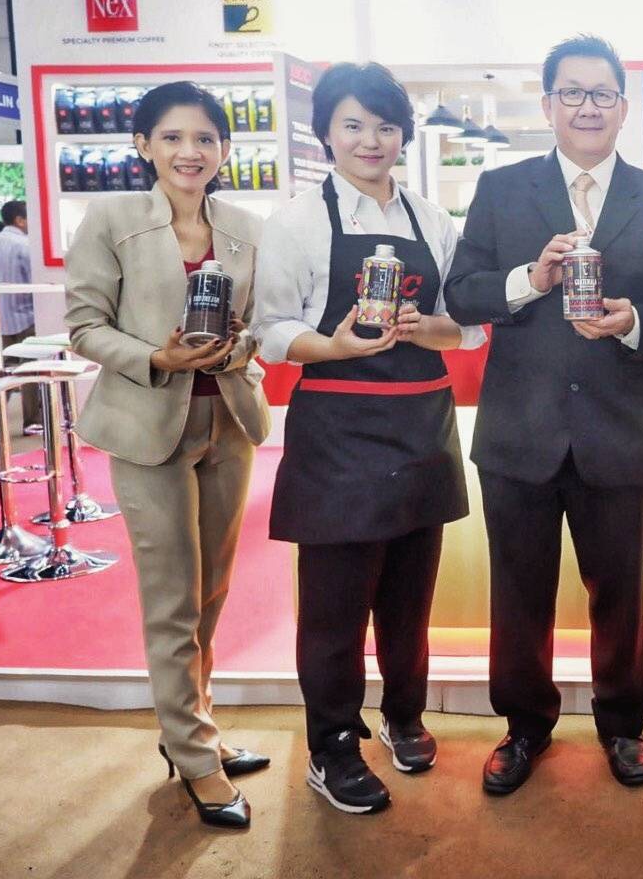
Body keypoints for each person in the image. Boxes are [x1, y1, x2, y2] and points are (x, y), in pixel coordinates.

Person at [443, 35, 643, 795]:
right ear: (548, 103)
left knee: (619, 592)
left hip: (619, 429)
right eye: (573, 93)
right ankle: (524, 726)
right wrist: (531, 278)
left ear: (624, 107)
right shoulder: (501, 188)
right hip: (520, 430)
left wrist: (633, 322)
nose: (589, 107)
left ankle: (623, 724)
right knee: (518, 592)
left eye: (603, 94)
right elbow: (464, 294)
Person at [255, 62, 484, 814]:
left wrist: (427, 328)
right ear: (325, 132)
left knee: (409, 599)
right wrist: (335, 345)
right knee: (334, 609)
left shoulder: (432, 219)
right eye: (352, 125)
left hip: (421, 428)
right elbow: (271, 330)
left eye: (385, 126)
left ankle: (404, 715)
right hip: (339, 433)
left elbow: (468, 328)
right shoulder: (297, 223)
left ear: (403, 135)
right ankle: (332, 747)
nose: (371, 140)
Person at [64, 82, 271, 828]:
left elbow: (260, 326)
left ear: (225, 149)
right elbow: (84, 326)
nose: (191, 152)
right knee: (173, 596)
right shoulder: (113, 219)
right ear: (144, 145)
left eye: (206, 138)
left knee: (212, 590)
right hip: (148, 424)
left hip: (229, 421)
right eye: (174, 137)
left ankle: (193, 730)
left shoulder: (245, 227)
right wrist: (158, 355)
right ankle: (194, 757)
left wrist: (236, 344)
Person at [0, 199, 40, 436]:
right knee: (31, 370)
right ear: (20, 220)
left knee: (4, 371)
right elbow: (36, 282)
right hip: (27, 317)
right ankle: (32, 421)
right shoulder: (25, 245)